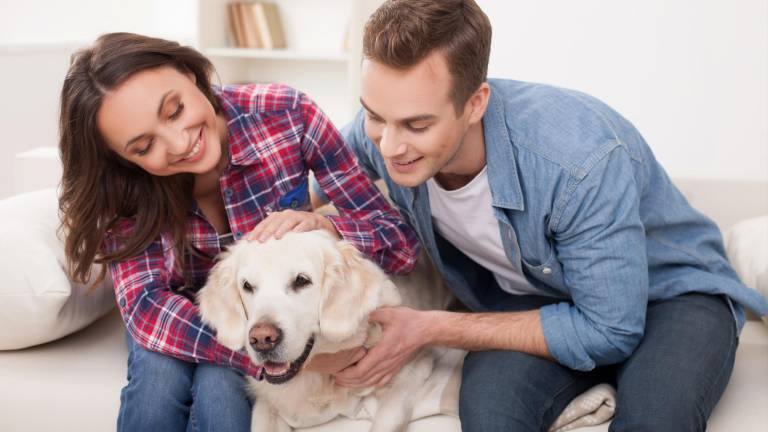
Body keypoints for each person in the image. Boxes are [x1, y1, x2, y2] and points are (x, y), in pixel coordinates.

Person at [315, 1, 768, 431]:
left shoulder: (577, 163)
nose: (390, 146)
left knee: (656, 421)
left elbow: (609, 330)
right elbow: (310, 180)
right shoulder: (385, 129)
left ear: (475, 104)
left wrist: (431, 326)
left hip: (670, 295)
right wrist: (309, 220)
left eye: (417, 126)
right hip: (540, 298)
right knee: (491, 417)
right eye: (376, 116)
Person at [58, 32, 420, 432]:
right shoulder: (123, 187)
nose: (179, 143)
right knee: (157, 383)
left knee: (221, 397)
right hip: (200, 318)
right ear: (123, 159)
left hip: (258, 315)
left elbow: (399, 244)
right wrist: (279, 356)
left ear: (190, 74)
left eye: (175, 109)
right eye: (144, 147)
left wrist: (327, 224)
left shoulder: (286, 113)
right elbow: (145, 308)